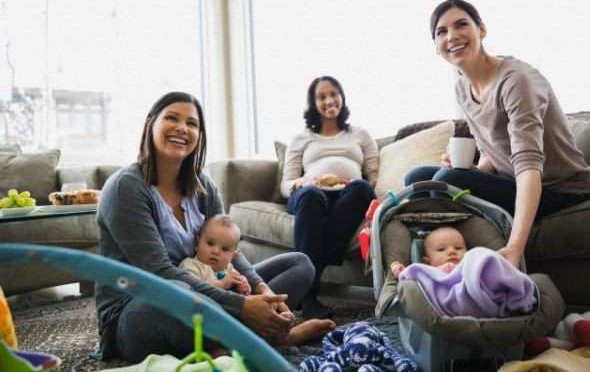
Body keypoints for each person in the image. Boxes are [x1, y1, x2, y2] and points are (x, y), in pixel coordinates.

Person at [95, 91, 335, 363]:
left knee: (299, 264)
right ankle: (273, 338)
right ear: (151, 123)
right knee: (180, 294)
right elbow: (159, 272)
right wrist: (243, 307)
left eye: (192, 123)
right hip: (137, 310)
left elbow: (232, 251)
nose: (182, 128)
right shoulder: (125, 188)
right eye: (172, 118)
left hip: (213, 292)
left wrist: (262, 291)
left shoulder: (203, 187)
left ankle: (237, 341)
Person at [405, 0, 590, 268]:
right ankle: (426, 260)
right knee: (418, 178)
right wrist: (472, 172)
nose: (452, 36)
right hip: (512, 181)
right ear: (436, 47)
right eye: (441, 31)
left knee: (447, 180)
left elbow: (529, 166)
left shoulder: (517, 80)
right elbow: (490, 151)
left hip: (559, 188)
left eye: (462, 24)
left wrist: (515, 248)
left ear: (481, 29)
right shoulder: (462, 88)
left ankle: (460, 269)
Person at [281, 76, 378, 319]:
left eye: (333, 94)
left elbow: (373, 177)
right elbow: (286, 184)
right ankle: (308, 295)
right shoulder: (301, 138)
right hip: (309, 197)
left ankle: (312, 273)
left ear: (342, 97)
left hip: (346, 197)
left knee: (363, 189)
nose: (329, 100)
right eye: (321, 97)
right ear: (313, 104)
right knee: (312, 195)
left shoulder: (360, 135)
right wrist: (302, 183)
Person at [179, 214, 251, 295]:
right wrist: (222, 284)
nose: (216, 251)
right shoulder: (191, 266)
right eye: (210, 243)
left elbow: (239, 291)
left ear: (233, 256)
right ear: (197, 244)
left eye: (225, 249)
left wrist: (243, 287)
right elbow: (194, 290)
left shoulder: (229, 268)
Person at [390, 226, 467, 276]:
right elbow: (414, 276)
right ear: (426, 261)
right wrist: (401, 271)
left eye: (458, 248)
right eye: (441, 249)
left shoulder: (471, 265)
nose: (452, 251)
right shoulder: (429, 272)